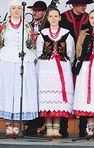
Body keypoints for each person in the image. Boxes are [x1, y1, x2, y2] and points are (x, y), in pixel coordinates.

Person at [0, 0, 38, 136]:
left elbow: (32, 43)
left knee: (21, 90)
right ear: (9, 9)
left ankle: (18, 126)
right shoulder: (2, 27)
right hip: (6, 59)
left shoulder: (27, 26)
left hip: (23, 59)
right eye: (13, 8)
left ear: (22, 10)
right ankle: (9, 126)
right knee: (7, 89)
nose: (16, 10)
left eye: (19, 8)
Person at [36, 8, 75, 138]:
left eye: (55, 16)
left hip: (62, 69)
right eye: (50, 16)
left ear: (59, 18)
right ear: (47, 19)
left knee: (58, 98)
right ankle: (48, 128)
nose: (53, 18)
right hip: (46, 69)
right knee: (47, 98)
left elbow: (71, 53)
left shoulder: (66, 34)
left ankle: (56, 128)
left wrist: (64, 64)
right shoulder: (43, 34)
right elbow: (38, 53)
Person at [59, 0, 94, 138]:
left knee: (84, 92)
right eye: (82, 5)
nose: (84, 8)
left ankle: (83, 128)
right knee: (65, 92)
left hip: (84, 60)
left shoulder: (89, 19)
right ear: (75, 5)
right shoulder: (64, 17)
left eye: (85, 5)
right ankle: (63, 128)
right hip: (67, 58)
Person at [24, 0, 47, 136]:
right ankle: (31, 124)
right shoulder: (29, 26)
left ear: (44, 12)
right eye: (34, 10)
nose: (35, 13)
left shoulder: (48, 25)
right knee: (30, 92)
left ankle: (43, 124)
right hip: (30, 61)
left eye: (38, 10)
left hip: (44, 62)